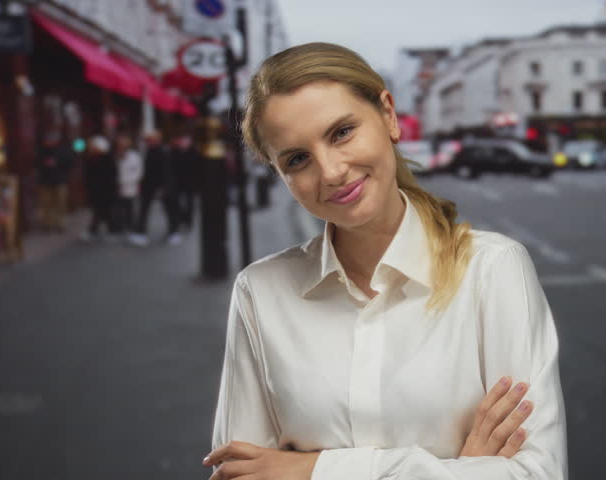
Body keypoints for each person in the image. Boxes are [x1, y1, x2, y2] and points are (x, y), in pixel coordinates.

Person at [204, 43, 567, 479]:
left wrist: (312, 470)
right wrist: (463, 469)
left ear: (389, 116)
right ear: (280, 175)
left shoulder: (493, 270)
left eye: (341, 132)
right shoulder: (260, 292)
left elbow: (538, 474)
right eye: (298, 159)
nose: (332, 171)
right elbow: (242, 475)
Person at [131, 131, 182, 246]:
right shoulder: (150, 151)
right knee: (145, 209)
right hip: (150, 185)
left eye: (150, 140)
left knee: (169, 209)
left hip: (161, 185)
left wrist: (164, 186)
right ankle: (140, 232)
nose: (148, 142)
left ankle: (173, 232)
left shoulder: (163, 152)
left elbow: (166, 171)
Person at [81, 135, 118, 240]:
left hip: (105, 190)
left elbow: (111, 176)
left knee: (101, 211)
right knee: (101, 211)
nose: (92, 149)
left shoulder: (107, 159)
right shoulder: (90, 159)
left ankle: (95, 230)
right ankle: (111, 229)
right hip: (96, 190)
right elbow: (88, 175)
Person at [35, 132, 74, 232]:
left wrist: (57, 163)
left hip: (60, 180)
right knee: (46, 203)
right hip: (45, 180)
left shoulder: (63, 150)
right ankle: (47, 224)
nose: (49, 142)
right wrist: (44, 164)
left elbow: (70, 163)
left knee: (60, 203)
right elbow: (36, 164)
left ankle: (60, 223)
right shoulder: (42, 151)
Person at [115, 134, 142, 236]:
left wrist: (127, 181)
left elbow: (138, 172)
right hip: (118, 187)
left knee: (129, 207)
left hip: (129, 186)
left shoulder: (134, 156)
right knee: (119, 207)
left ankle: (130, 226)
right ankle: (120, 226)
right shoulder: (117, 156)